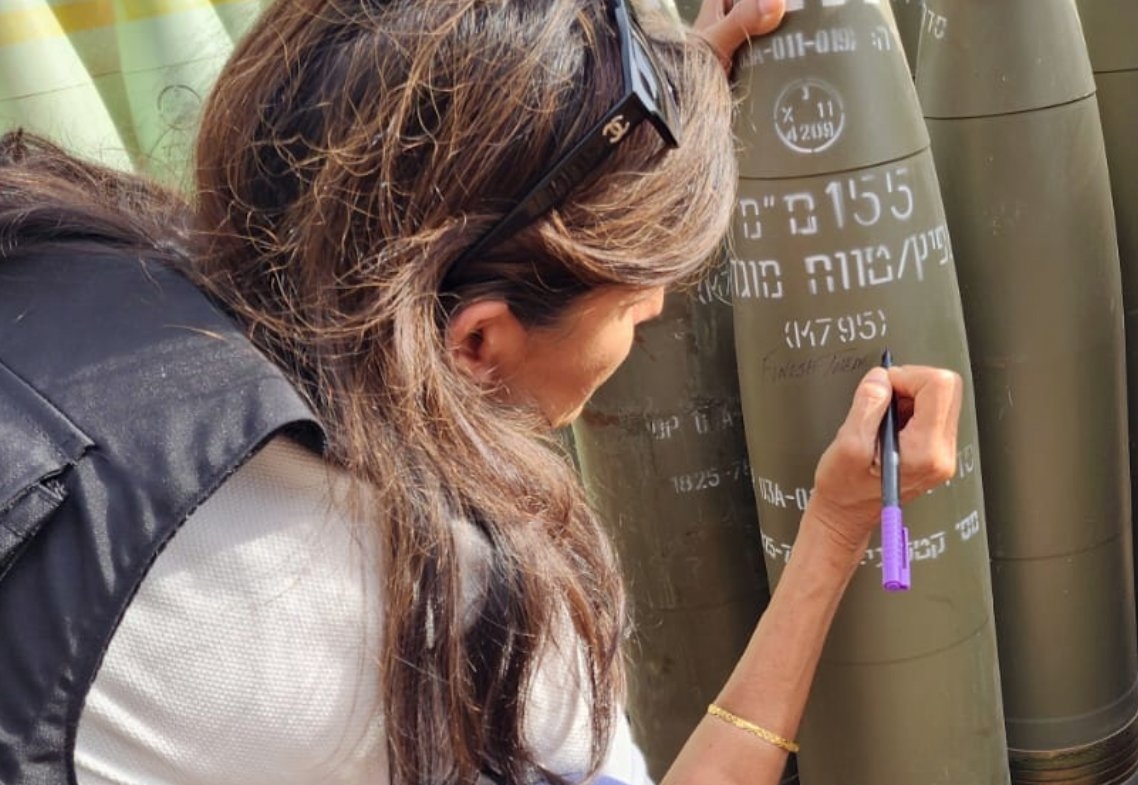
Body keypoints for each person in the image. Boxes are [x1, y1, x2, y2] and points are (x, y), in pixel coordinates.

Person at [0, 0, 966, 783]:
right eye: (634, 304)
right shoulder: (456, 620)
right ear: (477, 340)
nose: (660, 309)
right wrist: (837, 530)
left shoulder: (58, 250)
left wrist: (624, 154)